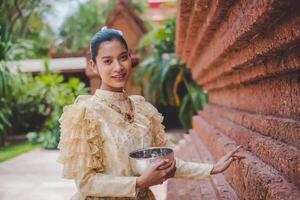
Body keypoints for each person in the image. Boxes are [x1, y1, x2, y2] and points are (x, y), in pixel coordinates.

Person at [57, 27, 244, 200]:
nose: (118, 67)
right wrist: (138, 183)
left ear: (131, 58)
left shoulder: (142, 109)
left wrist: (212, 168)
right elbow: (85, 182)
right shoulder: (84, 114)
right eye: (107, 61)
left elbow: (163, 163)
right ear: (93, 65)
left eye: (123, 57)